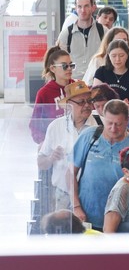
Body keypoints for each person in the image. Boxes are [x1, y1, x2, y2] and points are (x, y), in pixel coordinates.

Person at [71, 99, 129, 230]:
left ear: (127, 121)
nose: (113, 128)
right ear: (103, 118)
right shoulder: (89, 136)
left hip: (122, 223)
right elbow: (71, 173)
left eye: (119, 124)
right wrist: (76, 206)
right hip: (87, 218)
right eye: (109, 123)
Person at [37, 80, 96, 211]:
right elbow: (41, 163)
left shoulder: (101, 126)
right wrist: (51, 158)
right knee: (63, 230)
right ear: (69, 104)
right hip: (62, 195)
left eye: (89, 101)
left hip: (92, 194)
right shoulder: (55, 126)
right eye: (81, 102)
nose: (87, 105)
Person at [30, 47, 77, 144]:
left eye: (71, 65)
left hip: (76, 141)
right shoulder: (44, 93)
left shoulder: (78, 86)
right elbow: (35, 123)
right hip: (53, 144)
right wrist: (44, 143)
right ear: (52, 68)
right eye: (64, 66)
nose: (69, 69)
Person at [92, 40, 129, 120]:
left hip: (125, 120)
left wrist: (108, 105)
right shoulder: (101, 72)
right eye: (113, 56)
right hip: (103, 119)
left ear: (127, 55)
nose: (117, 59)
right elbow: (97, 102)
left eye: (121, 55)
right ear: (108, 56)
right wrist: (122, 106)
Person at [56, 0, 105, 74]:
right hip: (74, 82)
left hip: (97, 81)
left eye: (86, 6)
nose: (83, 10)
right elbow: (58, 61)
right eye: (79, 7)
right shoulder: (66, 34)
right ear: (75, 9)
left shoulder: (104, 31)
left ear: (93, 8)